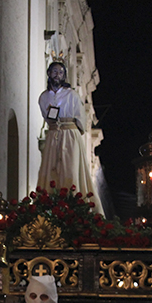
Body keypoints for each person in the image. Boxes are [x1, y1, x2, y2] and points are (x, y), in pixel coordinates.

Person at [37, 61, 103, 212]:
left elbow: (80, 119)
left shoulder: (72, 95)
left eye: (60, 72)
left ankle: (73, 206)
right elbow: (47, 117)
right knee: (50, 170)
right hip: (53, 134)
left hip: (70, 135)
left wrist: (69, 126)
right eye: (54, 71)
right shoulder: (44, 97)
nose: (57, 75)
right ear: (49, 73)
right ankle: (49, 205)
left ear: (64, 76)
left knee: (70, 170)